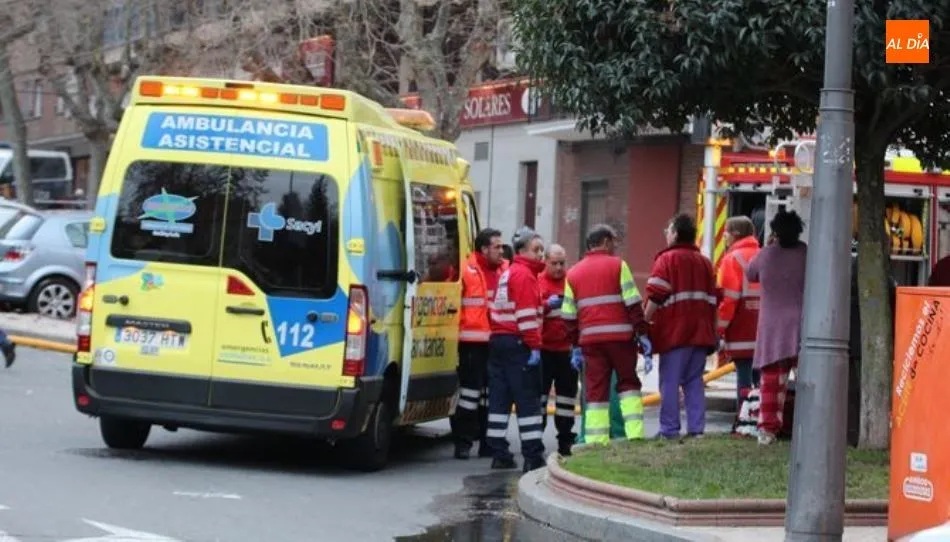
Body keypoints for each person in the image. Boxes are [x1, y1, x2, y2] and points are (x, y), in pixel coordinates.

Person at [561, 224, 651, 444]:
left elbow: (568, 315)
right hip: (621, 340)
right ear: (605, 242)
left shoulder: (572, 273)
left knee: (595, 390)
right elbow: (633, 303)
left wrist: (575, 344)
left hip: (591, 343)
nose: (615, 246)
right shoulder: (618, 266)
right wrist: (642, 333)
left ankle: (595, 440)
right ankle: (635, 434)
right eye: (613, 242)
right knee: (628, 384)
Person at [644, 214, 718, 440]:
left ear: (675, 233)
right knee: (694, 381)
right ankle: (697, 430)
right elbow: (714, 299)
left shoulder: (666, 261)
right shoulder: (705, 262)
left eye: (668, 230)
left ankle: (669, 430)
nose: (666, 234)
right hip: (701, 332)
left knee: (670, 382)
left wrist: (644, 322)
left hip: (675, 332)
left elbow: (656, 294)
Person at [486, 226, 547, 472]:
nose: (541, 255)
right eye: (536, 250)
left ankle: (499, 452)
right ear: (522, 250)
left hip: (500, 341)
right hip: (519, 343)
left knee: (499, 400)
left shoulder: (509, 273)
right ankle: (533, 457)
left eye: (542, 249)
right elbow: (525, 316)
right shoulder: (524, 275)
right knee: (528, 400)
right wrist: (534, 346)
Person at [746, 209, 807, 445]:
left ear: (775, 231)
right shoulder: (805, 254)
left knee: (771, 382)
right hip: (803, 326)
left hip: (772, 328)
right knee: (808, 383)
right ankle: (807, 428)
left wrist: (769, 245)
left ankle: (767, 430)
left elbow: (751, 273)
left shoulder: (766, 255)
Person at [452, 228, 507, 460]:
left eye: (502, 247)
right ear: (484, 249)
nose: (501, 251)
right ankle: (463, 442)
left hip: (497, 341)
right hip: (472, 342)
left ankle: (488, 443)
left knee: (491, 396)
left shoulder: (506, 269)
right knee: (469, 395)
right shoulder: (467, 269)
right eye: (497, 247)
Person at [716, 216, 762, 412]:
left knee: (743, 378)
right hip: (764, 329)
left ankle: (744, 419)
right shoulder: (762, 254)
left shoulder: (731, 260)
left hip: (742, 329)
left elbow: (728, 301)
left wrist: (718, 329)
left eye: (725, 234)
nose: (724, 238)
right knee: (760, 380)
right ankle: (760, 418)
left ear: (734, 235)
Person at [537, 243, 578, 456]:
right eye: (554, 263)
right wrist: (546, 306)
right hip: (543, 350)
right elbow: (531, 312)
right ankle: (536, 440)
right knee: (540, 399)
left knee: (566, 400)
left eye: (562, 263)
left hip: (566, 350)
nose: (559, 268)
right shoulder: (538, 281)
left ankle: (565, 439)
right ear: (546, 261)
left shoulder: (571, 282)